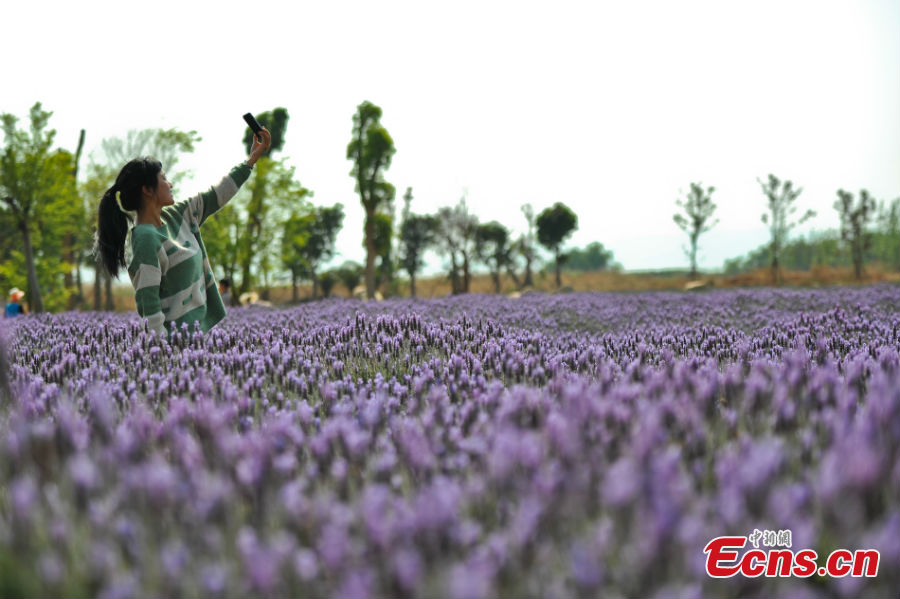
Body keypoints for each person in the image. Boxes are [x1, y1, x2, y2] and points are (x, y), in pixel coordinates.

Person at [95, 126, 271, 336]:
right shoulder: (146, 239)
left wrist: (251, 159)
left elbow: (218, 193)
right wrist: (163, 354)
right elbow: (149, 307)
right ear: (147, 190)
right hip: (176, 348)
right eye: (163, 178)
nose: (170, 184)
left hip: (200, 337)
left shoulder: (179, 215)